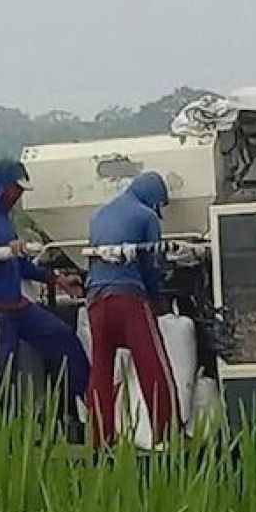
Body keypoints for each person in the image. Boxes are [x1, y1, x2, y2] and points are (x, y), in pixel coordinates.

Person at [0, 158, 89, 418]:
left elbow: (21, 266)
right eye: (16, 189)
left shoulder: (4, 219)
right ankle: (5, 431)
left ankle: (86, 399)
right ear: (2, 186)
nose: (18, 196)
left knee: (63, 337)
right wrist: (7, 251)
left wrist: (57, 279)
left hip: (17, 304)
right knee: (4, 370)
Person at [85, 171, 179, 450]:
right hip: (128, 299)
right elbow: (153, 263)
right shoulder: (146, 216)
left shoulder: (98, 215)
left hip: (96, 301)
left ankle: (101, 440)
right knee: (153, 367)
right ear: (155, 199)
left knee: (101, 371)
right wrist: (155, 298)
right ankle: (166, 435)